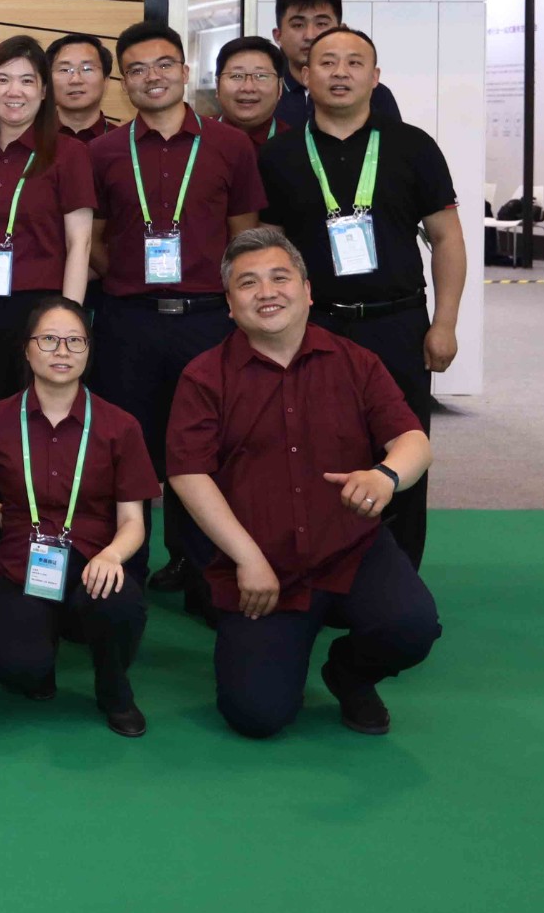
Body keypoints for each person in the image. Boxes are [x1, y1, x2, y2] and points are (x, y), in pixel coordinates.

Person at [167, 228, 439, 738]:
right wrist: (247, 559)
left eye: (280, 277)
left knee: (413, 625)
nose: (266, 292)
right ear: (229, 305)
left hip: (350, 549)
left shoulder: (357, 362)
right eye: (248, 283)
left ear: (308, 291)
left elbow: (413, 441)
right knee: (256, 715)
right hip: (262, 565)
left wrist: (386, 475)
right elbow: (188, 473)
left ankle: (349, 674)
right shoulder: (204, 377)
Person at [256, 26, 463, 568]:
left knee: (402, 446)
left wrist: (444, 324)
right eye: (327, 62)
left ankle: (400, 572)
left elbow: (447, 239)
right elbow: (267, 252)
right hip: (312, 328)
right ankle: (320, 569)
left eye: (354, 62)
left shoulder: (413, 146)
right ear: (305, 75)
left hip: (397, 324)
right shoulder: (279, 155)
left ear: (375, 77)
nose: (340, 72)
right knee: (311, 447)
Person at [84, 21, 264, 601]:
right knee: (126, 445)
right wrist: (130, 278)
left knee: (203, 445)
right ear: (123, 84)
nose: (152, 77)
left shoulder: (230, 146)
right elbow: (96, 241)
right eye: (136, 70)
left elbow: (244, 238)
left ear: (185, 72)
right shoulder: (103, 152)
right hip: (128, 321)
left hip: (207, 320)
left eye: (163, 65)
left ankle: (201, 570)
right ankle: (125, 572)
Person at [0, 297, 157, 737]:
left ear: (89, 351)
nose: (62, 351)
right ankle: (40, 650)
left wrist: (113, 556)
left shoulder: (120, 425)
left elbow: (133, 521)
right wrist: (22, 524)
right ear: (27, 348)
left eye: (75, 341)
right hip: (22, 564)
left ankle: (113, 687)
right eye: (49, 340)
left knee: (119, 603)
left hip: (94, 562)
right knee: (19, 669)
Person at [0, 35, 93, 406]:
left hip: (43, 310)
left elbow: (80, 243)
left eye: (27, 80)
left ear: (44, 91)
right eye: (2, 80)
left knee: (42, 415)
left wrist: (67, 323)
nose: (14, 91)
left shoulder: (69, 154)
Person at [270, 0, 403, 130]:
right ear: (278, 36)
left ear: (341, 29)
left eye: (321, 24)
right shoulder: (266, 93)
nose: (310, 35)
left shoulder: (374, 93)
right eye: (298, 25)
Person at [213, 36, 286, 147]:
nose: (248, 88)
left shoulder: (297, 145)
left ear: (280, 87)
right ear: (217, 85)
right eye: (237, 76)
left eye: (261, 76)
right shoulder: (196, 138)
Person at [47, 33, 120, 143]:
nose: (75, 80)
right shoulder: (30, 141)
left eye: (87, 69)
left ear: (106, 81)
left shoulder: (124, 143)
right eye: (65, 70)